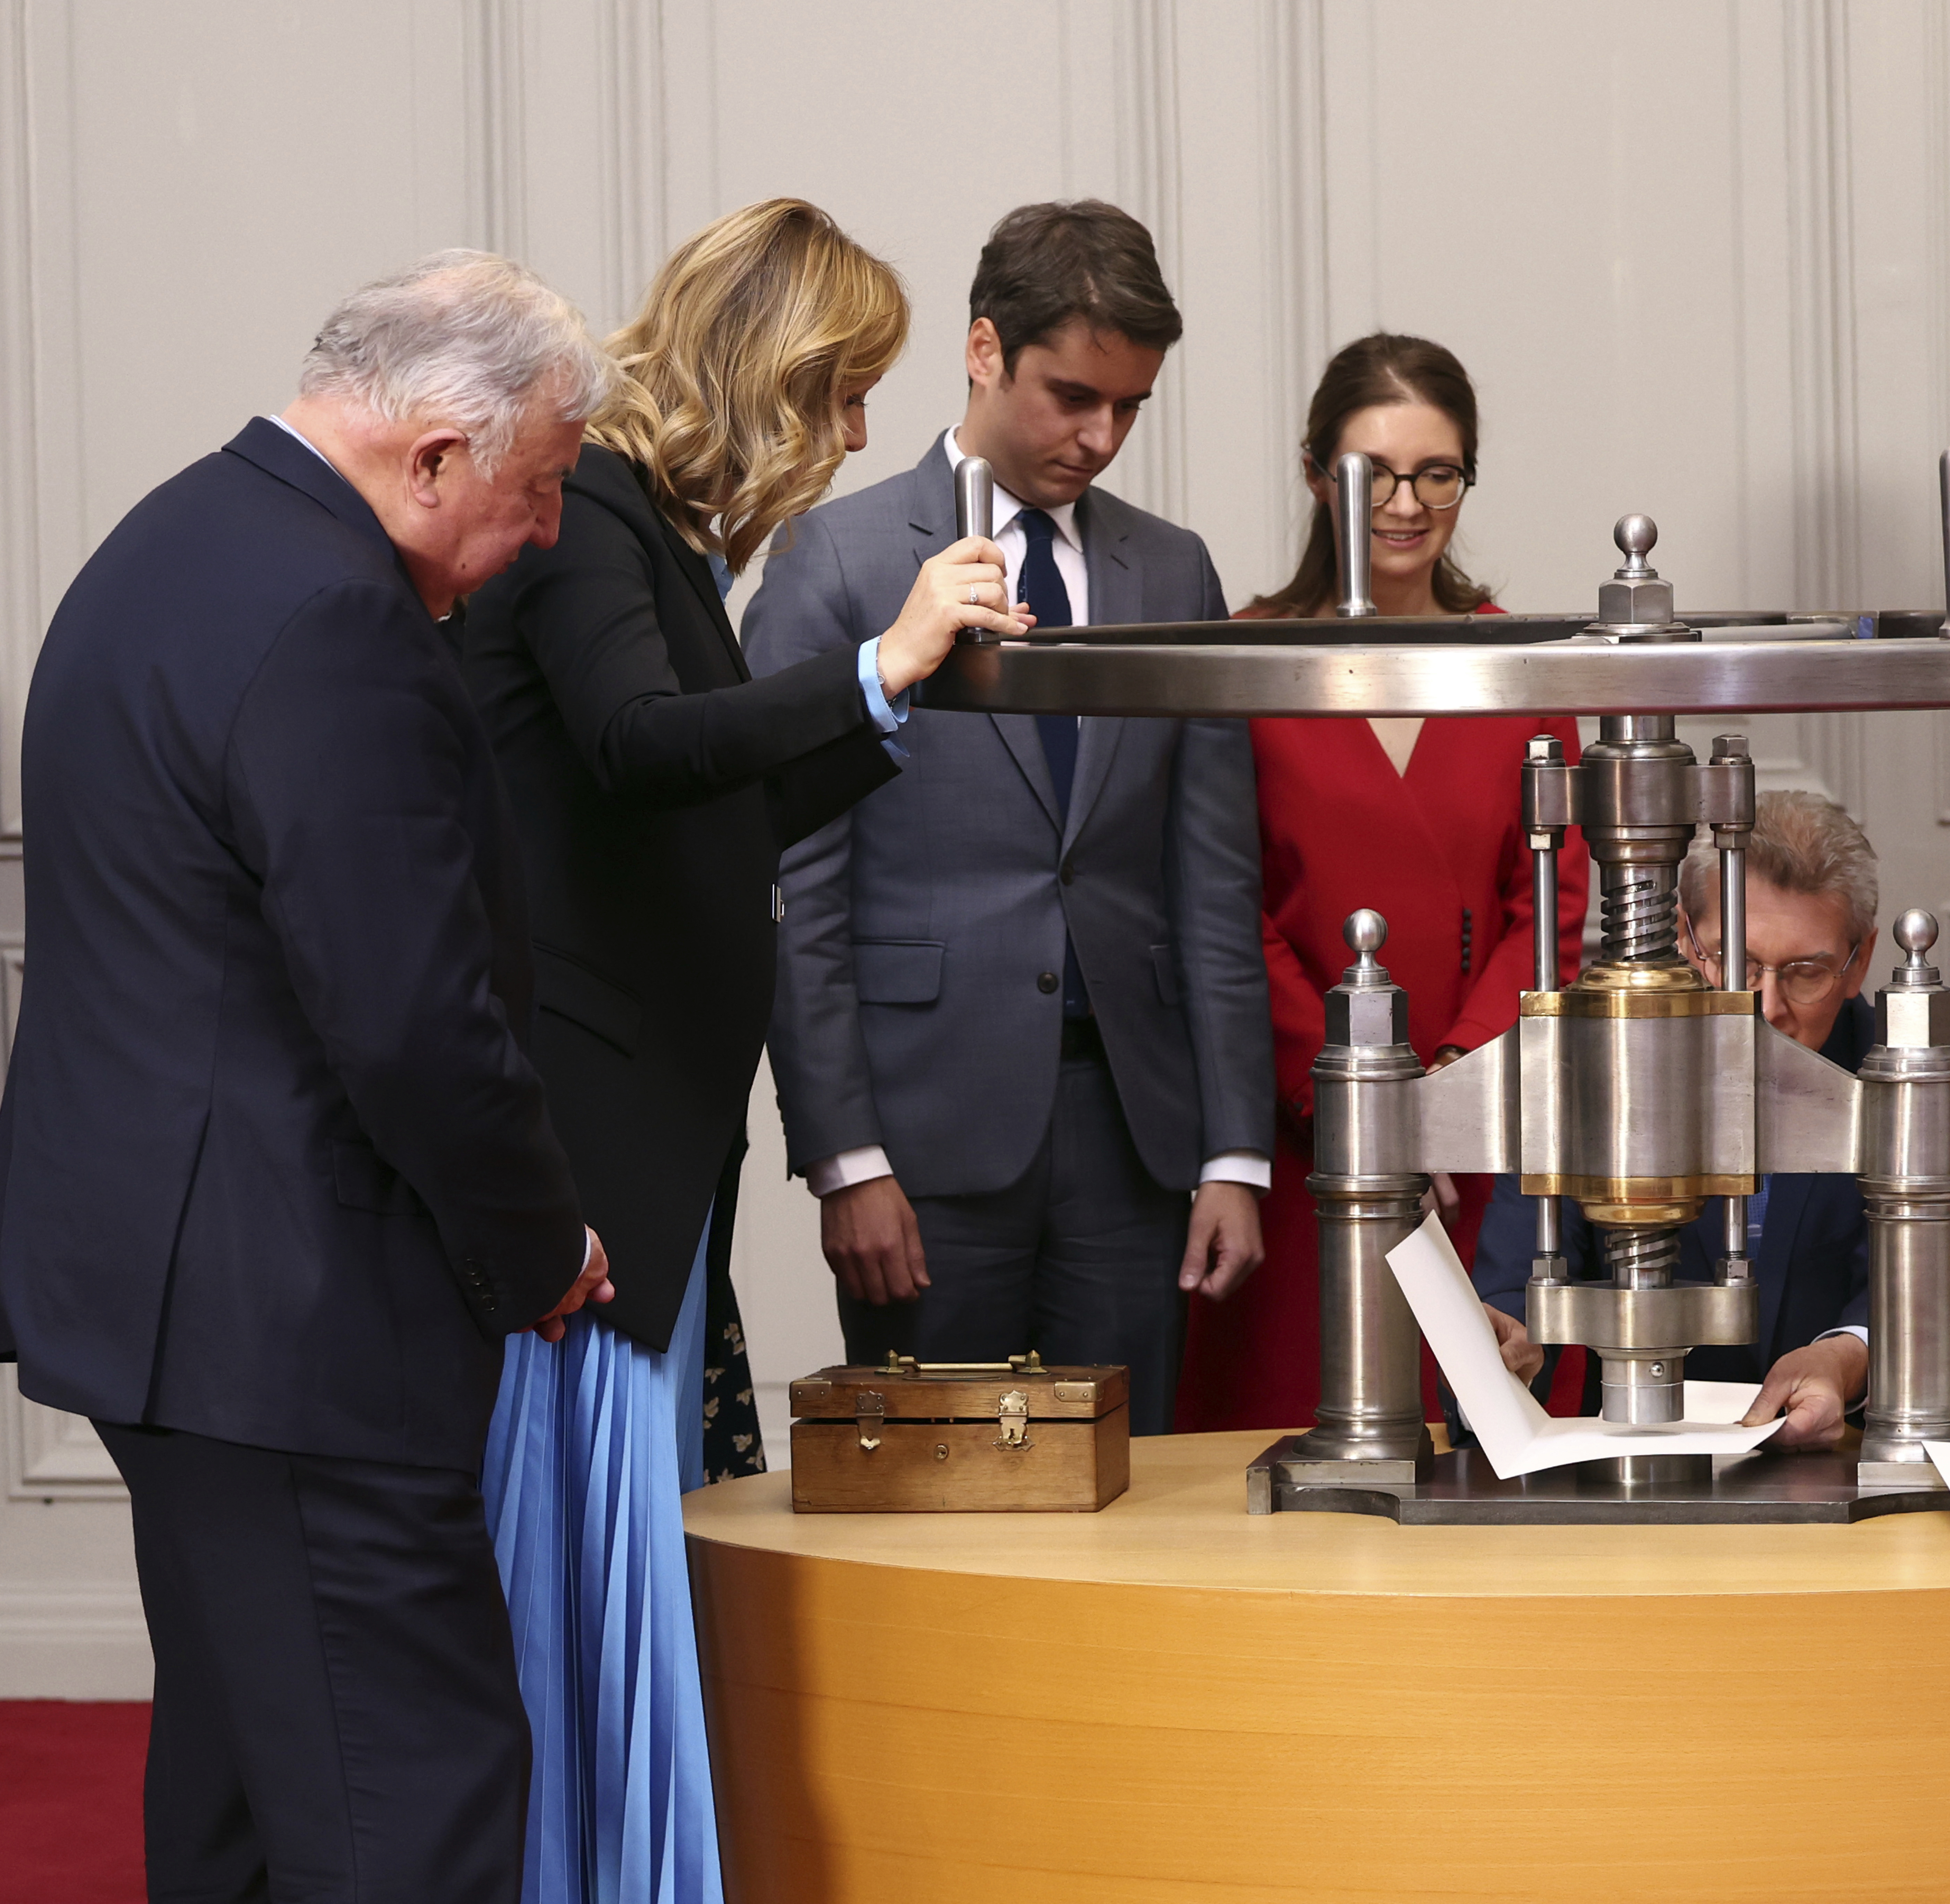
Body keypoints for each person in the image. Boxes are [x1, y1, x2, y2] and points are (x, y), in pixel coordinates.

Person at [0, 253, 615, 1904]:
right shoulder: (339, 616)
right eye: (544, 485)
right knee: (417, 1816)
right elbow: (409, 1020)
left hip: (168, 1300)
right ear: (436, 457)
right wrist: (541, 1242)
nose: (550, 530)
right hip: (295, 1322)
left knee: (249, 1801)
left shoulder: (172, 536)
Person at [456, 200, 1023, 1904]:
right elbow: (644, 745)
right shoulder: (589, 510)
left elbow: (710, 810)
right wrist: (876, 663)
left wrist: (901, 697)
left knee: (624, 1563)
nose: (855, 433)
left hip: (650, 1140)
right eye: (843, 392)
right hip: (593, 1149)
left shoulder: (650, 532)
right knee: (577, 1574)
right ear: (769, 373)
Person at [749, 201, 1273, 1435]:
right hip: (922, 1140)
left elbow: (1213, 880)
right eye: (1072, 397)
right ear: (984, 349)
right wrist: (845, 1159)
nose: (1101, 438)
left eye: (1130, 407)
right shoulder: (835, 560)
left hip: (1134, 1137)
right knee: (933, 1504)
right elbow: (793, 886)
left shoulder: (1174, 572)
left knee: (1133, 1494)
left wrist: (1233, 1156)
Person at [1173, 333, 1584, 1432]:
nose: (1405, 505)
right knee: (1285, 1453)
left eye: (1436, 473)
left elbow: (1552, 909)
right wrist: (1350, 1100)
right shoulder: (1242, 659)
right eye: (1373, 474)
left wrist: (1444, 1095)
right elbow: (1221, 909)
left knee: (1480, 1457)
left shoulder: (1524, 667)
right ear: (1316, 475)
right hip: (1300, 1139)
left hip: (1481, 1139)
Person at [1472, 792, 1950, 1446]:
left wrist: (1844, 1359)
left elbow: (1914, 1298)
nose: (1764, 1006)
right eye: (1735, 961)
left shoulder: (1895, 1074)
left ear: (1858, 962)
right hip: (1648, 1452)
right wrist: (1508, 1345)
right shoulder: (1590, 1061)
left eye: (1805, 972)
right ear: (1682, 937)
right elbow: (1514, 1277)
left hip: (1861, 1443)